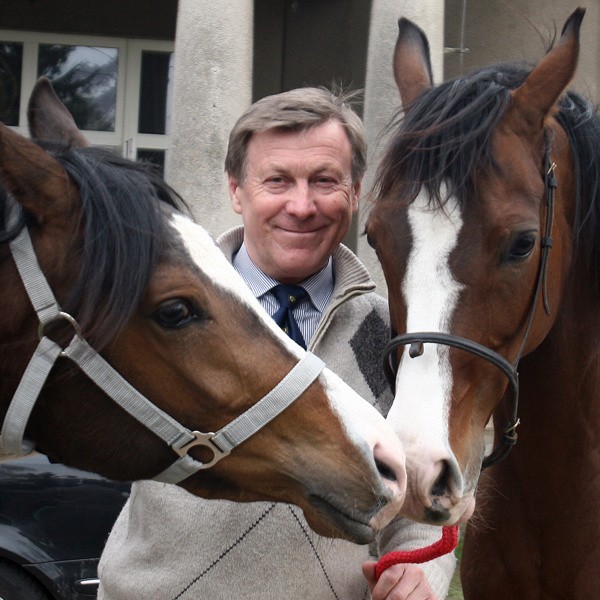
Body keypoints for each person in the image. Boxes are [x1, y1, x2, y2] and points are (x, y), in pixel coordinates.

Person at [98, 87, 456, 600]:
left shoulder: (390, 337)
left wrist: (421, 572)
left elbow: (429, 496)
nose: (302, 205)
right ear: (237, 191)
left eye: (325, 181)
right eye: (277, 181)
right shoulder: (158, 311)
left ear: (355, 194)